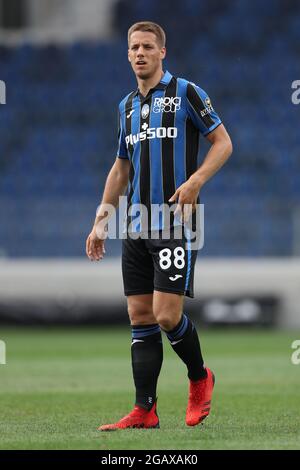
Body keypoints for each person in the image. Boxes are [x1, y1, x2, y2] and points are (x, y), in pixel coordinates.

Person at [86, 21, 232, 430]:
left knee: (166, 315)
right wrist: (101, 220)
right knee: (140, 315)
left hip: (175, 220)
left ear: (162, 52)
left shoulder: (186, 92)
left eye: (148, 46)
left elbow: (223, 142)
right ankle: (144, 409)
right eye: (134, 47)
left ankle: (200, 377)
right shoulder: (126, 106)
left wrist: (195, 180)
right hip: (135, 222)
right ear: (127, 53)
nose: (139, 53)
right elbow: (120, 167)